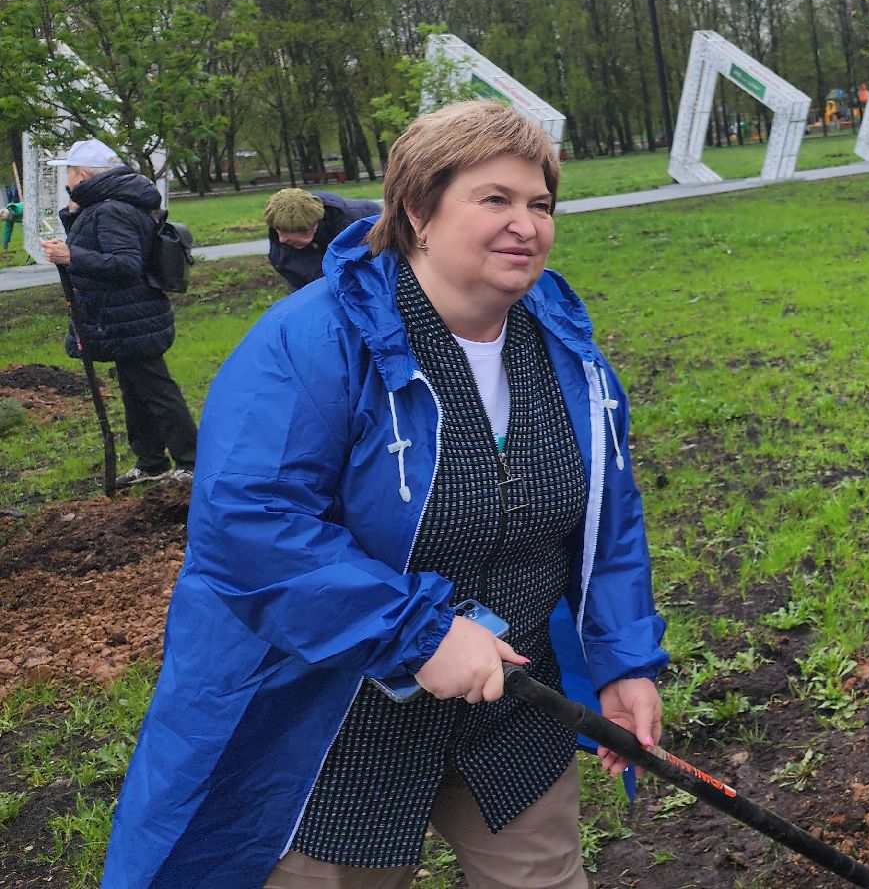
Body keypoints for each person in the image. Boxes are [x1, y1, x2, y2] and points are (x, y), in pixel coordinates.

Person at [103, 101, 669, 888]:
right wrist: (417, 634)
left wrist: (625, 658)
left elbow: (608, 520)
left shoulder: (565, 350)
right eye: (494, 199)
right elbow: (248, 524)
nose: (526, 225)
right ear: (417, 212)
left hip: (511, 711)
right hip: (333, 719)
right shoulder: (313, 342)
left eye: (539, 204)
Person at [40, 139, 197, 485]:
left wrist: (70, 257)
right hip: (124, 317)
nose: (65, 177)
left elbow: (125, 264)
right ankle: (151, 462)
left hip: (131, 317)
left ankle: (191, 461)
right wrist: (73, 216)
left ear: (81, 174)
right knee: (136, 391)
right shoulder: (108, 205)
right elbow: (98, 244)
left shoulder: (111, 209)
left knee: (156, 391)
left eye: (68, 171)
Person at [263, 186, 382, 292]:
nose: (281, 239)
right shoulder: (281, 255)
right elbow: (303, 292)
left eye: (287, 231)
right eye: (277, 230)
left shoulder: (365, 221)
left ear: (311, 227)